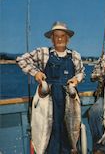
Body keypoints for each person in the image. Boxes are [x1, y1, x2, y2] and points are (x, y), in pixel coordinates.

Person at [16, 21, 85, 154]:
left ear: (67, 38)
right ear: (52, 39)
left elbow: (81, 72)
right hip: (48, 100)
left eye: (62, 36)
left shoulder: (75, 55)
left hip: (69, 101)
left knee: (68, 133)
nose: (59, 39)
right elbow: (21, 60)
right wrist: (36, 73)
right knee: (50, 132)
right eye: (56, 36)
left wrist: (77, 79)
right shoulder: (43, 52)